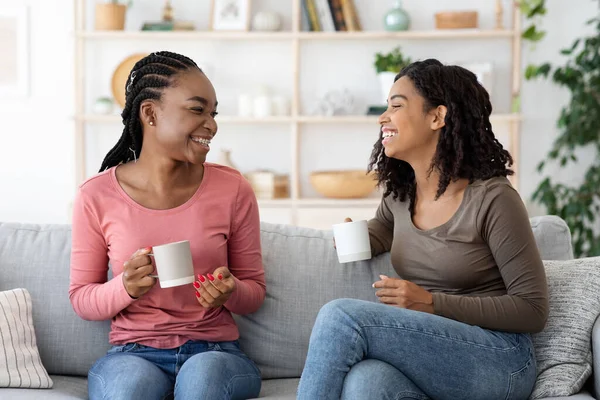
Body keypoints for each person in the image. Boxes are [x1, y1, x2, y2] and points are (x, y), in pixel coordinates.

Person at [297, 59, 548, 400]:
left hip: (500, 359)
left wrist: (431, 303)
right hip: (435, 354)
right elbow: (382, 230)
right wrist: (355, 236)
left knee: (340, 317)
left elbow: (532, 310)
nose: (383, 117)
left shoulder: (494, 199)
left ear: (436, 117)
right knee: (367, 382)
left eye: (396, 106)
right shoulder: (401, 195)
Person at [69, 51, 265, 400]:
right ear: (150, 113)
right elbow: (82, 298)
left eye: (213, 113)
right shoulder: (96, 196)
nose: (212, 124)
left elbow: (254, 292)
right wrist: (125, 287)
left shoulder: (233, 189)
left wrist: (230, 290)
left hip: (215, 353)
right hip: (133, 353)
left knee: (203, 382)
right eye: (197, 109)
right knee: (128, 389)